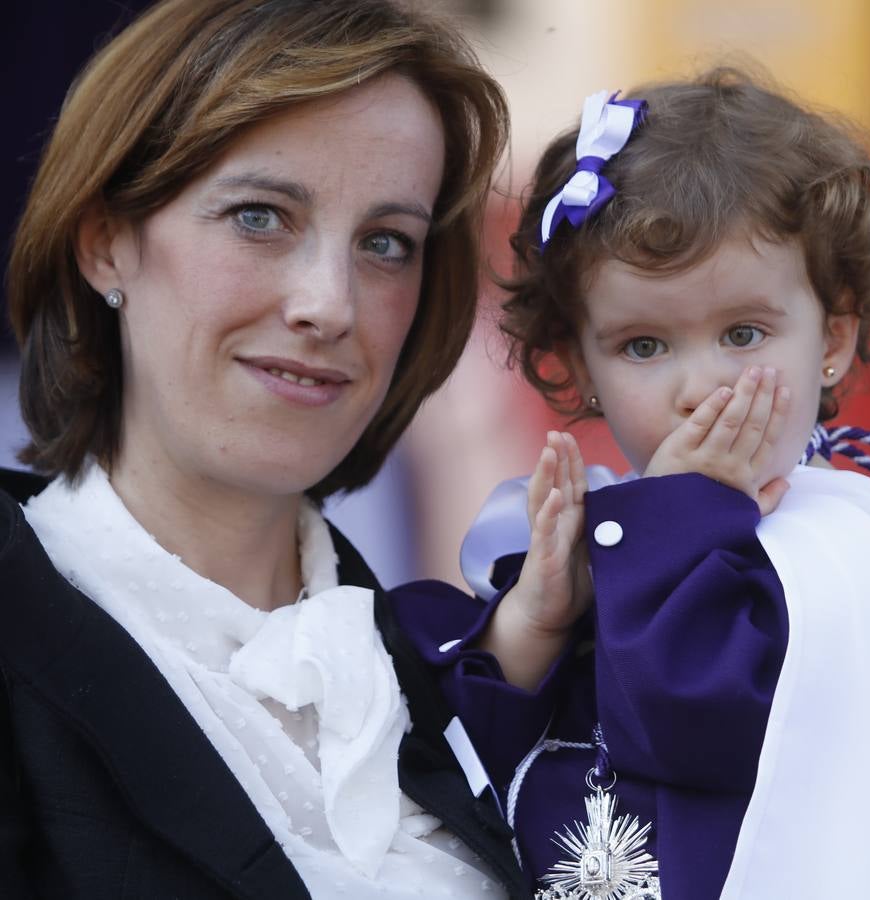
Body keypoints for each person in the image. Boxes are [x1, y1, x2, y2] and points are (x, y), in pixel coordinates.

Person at [390, 69, 870, 899]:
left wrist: (676, 525)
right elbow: (465, 762)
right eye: (643, 345)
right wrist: (535, 617)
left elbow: (691, 726)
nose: (700, 385)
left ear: (833, 341)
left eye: (743, 333)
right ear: (578, 363)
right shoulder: (598, 530)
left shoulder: (836, 545)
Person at [0, 0, 537, 896]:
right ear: (105, 244)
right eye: (259, 217)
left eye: (385, 243)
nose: (330, 305)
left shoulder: (463, 675)